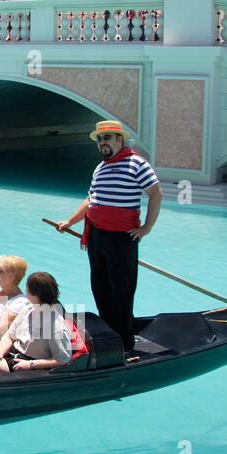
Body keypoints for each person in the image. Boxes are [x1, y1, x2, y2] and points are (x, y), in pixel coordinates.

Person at [56, 120, 161, 356]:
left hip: (121, 238)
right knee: (100, 288)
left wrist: (147, 227)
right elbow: (90, 200)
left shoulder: (136, 163)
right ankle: (109, 335)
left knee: (121, 292)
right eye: (99, 139)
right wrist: (70, 221)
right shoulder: (100, 168)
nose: (102, 143)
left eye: (107, 138)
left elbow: (156, 193)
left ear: (119, 139)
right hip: (97, 236)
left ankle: (124, 345)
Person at [0, 272, 81, 375]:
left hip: (29, 362)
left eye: (27, 290)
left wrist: (31, 364)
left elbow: (63, 359)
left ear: (34, 295)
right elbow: (9, 336)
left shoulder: (56, 325)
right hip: (14, 354)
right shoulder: (29, 309)